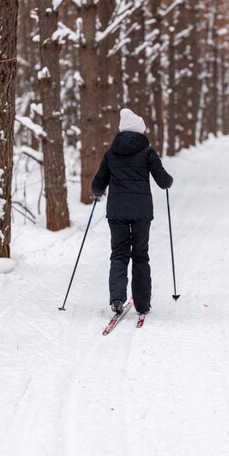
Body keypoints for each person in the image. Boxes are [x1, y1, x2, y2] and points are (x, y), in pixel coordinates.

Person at [91, 108, 173, 315]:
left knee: (118, 254)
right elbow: (163, 181)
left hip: (116, 211)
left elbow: (98, 184)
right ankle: (142, 304)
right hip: (141, 212)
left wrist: (97, 190)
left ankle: (117, 298)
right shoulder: (148, 153)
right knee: (140, 256)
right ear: (139, 131)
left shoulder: (111, 154)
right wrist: (168, 181)